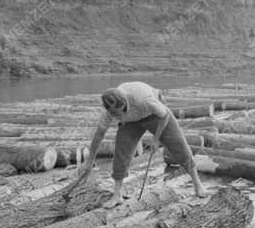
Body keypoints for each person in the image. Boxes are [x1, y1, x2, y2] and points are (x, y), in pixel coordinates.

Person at [78, 81, 208, 208]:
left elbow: (164, 114)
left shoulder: (142, 98)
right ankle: (117, 195)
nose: (116, 116)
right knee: (121, 151)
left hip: (154, 115)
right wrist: (89, 161)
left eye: (118, 112)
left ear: (123, 103)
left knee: (178, 145)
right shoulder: (108, 109)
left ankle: (197, 184)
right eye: (114, 114)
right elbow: (99, 134)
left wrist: (156, 139)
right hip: (130, 122)